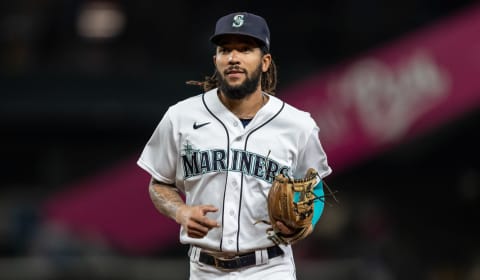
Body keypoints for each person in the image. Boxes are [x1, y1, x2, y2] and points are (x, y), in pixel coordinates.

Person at [137, 11, 332, 280]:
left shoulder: (297, 124)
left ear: (265, 62)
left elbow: (314, 188)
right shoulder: (180, 117)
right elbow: (158, 183)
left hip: (271, 268)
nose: (233, 58)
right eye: (225, 49)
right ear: (215, 59)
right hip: (205, 270)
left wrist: (304, 225)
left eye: (245, 49)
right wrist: (180, 211)